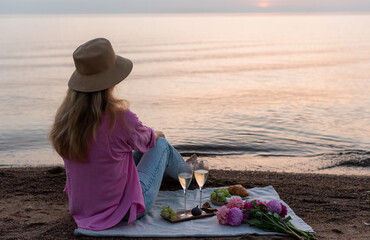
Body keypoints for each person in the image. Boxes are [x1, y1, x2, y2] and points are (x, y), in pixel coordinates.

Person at [49, 38, 195, 230]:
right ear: (111, 80)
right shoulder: (119, 118)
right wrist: (159, 133)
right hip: (122, 210)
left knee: (124, 152)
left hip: (82, 208)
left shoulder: (65, 120)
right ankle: (187, 173)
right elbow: (149, 139)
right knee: (160, 145)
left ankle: (179, 170)